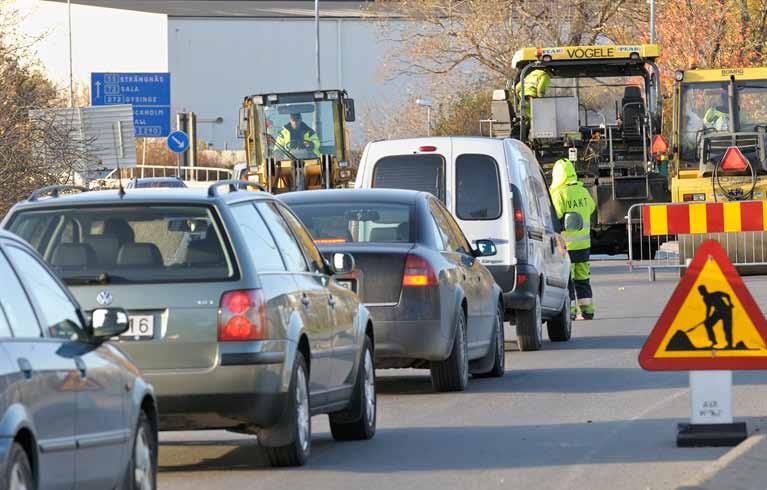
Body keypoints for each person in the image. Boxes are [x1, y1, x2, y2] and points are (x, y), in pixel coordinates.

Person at [549, 158, 596, 320]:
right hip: (584, 245)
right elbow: (591, 208)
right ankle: (588, 310)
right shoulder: (583, 191)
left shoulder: (559, 193)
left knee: (568, 280)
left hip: (566, 246)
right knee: (583, 278)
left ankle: (571, 312)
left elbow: (555, 215)